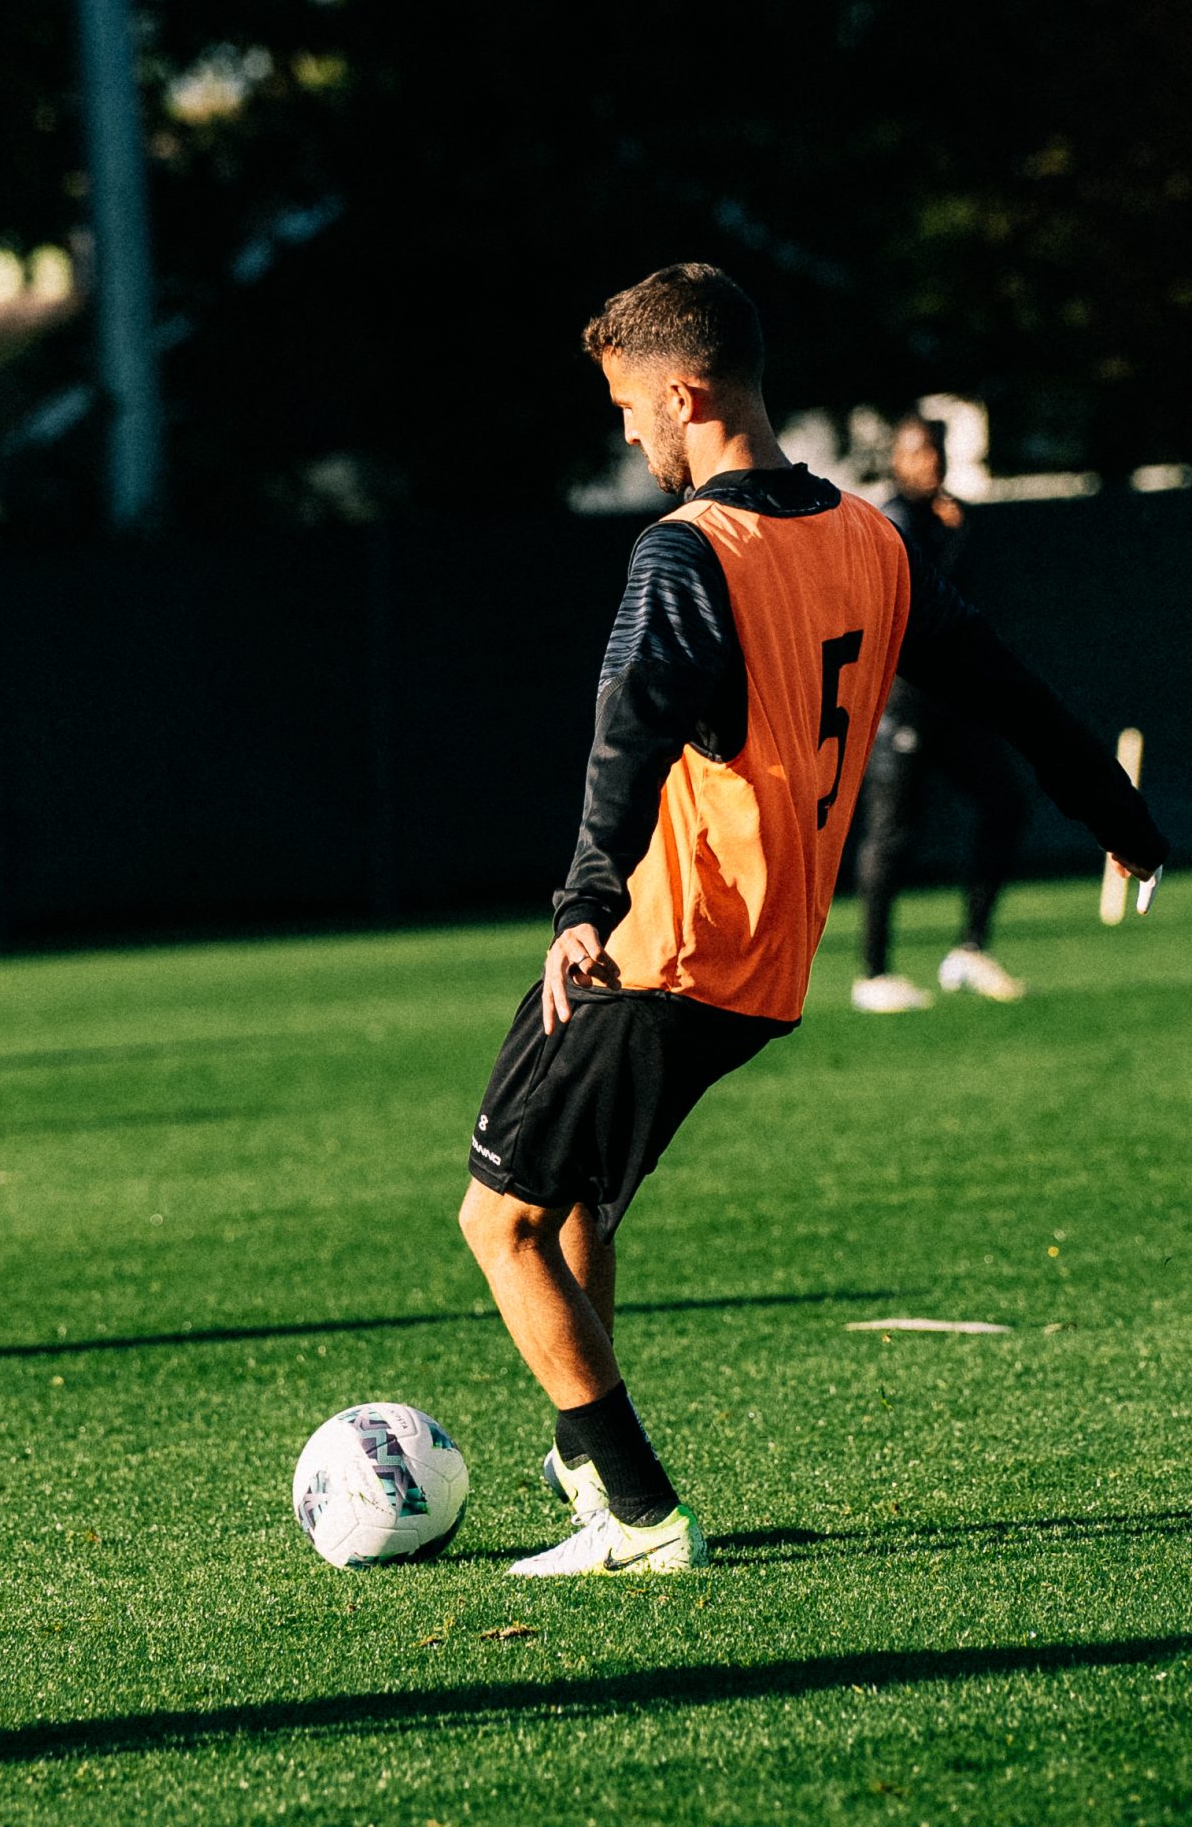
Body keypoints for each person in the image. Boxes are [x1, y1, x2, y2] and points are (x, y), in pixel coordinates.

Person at [457, 263, 1167, 1579]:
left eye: (625, 407)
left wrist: (581, 905)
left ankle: (634, 1512)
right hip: (761, 971)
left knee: (493, 1220)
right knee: (568, 1213)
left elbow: (626, 740)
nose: (623, 434)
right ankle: (586, 1470)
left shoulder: (684, 552)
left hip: (654, 951)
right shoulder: (868, 541)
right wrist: (1117, 816)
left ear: (682, 393)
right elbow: (1009, 694)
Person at [852, 415, 1030, 1013]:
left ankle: (970, 949)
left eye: (934, 451)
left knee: (1005, 802)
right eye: (915, 453)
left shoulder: (946, 517)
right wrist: (955, 538)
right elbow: (926, 607)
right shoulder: (894, 521)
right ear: (897, 460)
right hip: (901, 704)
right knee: (890, 837)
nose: (927, 463)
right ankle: (873, 974)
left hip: (951, 706)